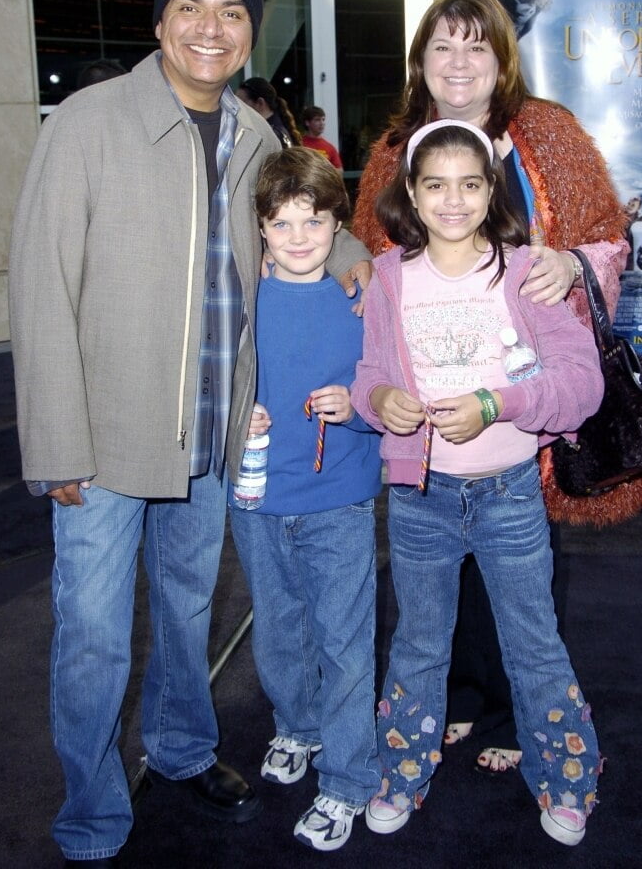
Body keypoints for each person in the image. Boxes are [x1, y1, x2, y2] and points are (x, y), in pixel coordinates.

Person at [8, 0, 371, 867]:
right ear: (161, 21)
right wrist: (55, 445)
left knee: (185, 614)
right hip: (105, 440)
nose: (212, 28)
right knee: (93, 637)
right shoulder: (88, 123)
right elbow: (41, 289)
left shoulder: (256, 135)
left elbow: (301, 222)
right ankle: (91, 814)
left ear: (250, 33)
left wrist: (353, 258)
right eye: (192, 8)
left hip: (211, 435)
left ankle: (180, 752)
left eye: (234, 12)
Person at [351, 0, 642, 778]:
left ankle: (519, 713)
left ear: (500, 60)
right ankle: (458, 694)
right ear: (421, 62)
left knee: (522, 571)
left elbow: (609, 236)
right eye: (442, 46)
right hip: (431, 419)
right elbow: (366, 265)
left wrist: (571, 263)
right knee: (436, 573)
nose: (458, 62)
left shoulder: (547, 133)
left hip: (528, 403)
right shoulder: (393, 149)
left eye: (475, 46)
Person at [351, 119, 604, 846]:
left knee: (533, 643)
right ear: (412, 193)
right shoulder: (391, 276)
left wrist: (499, 404)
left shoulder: (526, 272)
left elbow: (580, 382)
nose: (453, 200)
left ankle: (566, 782)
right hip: (419, 498)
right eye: (436, 185)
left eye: (469, 184)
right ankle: (401, 774)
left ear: (491, 188)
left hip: (510, 494)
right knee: (419, 645)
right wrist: (381, 403)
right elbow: (370, 376)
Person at [228, 147, 382, 851]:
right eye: (282, 223)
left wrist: (353, 406)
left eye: (312, 222)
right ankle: (299, 726)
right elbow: (213, 380)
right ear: (259, 228)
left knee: (346, 643)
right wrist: (240, 417)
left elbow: (388, 394)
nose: (297, 237)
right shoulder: (241, 299)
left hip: (339, 501)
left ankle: (349, 779)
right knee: (279, 630)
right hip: (258, 500)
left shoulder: (361, 299)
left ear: (336, 226)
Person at [236, 75, 302, 148]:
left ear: (260, 103)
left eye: (242, 103)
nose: (237, 107)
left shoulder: (272, 135)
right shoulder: (273, 130)